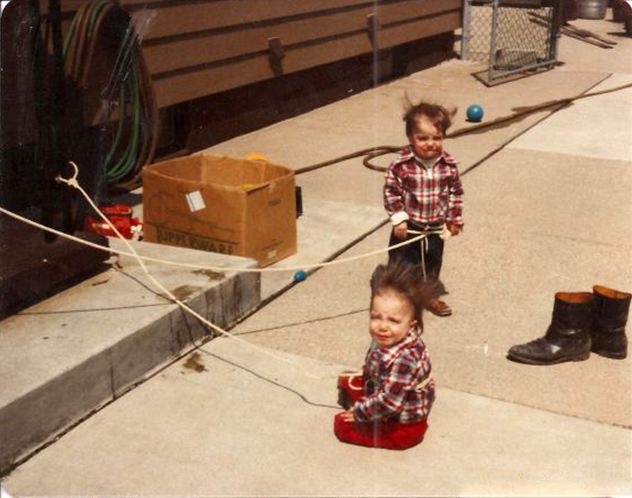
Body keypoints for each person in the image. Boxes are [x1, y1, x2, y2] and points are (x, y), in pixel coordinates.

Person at [334, 263, 435, 450]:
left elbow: (390, 403)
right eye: (376, 317)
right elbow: (376, 364)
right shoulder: (390, 339)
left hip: (403, 426)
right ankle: (365, 399)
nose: (382, 326)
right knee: (346, 382)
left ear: (412, 325)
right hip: (389, 394)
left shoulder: (405, 358)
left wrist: (359, 412)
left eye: (394, 321)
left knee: (341, 425)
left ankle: (367, 413)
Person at [384, 100, 464, 317]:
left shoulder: (449, 165)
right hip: (409, 228)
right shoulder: (401, 166)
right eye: (423, 138)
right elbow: (392, 192)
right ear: (410, 138)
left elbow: (456, 192)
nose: (431, 143)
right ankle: (400, 299)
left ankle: (429, 297)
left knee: (432, 264)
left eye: (437, 138)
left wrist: (454, 219)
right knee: (402, 265)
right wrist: (399, 218)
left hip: (435, 227)